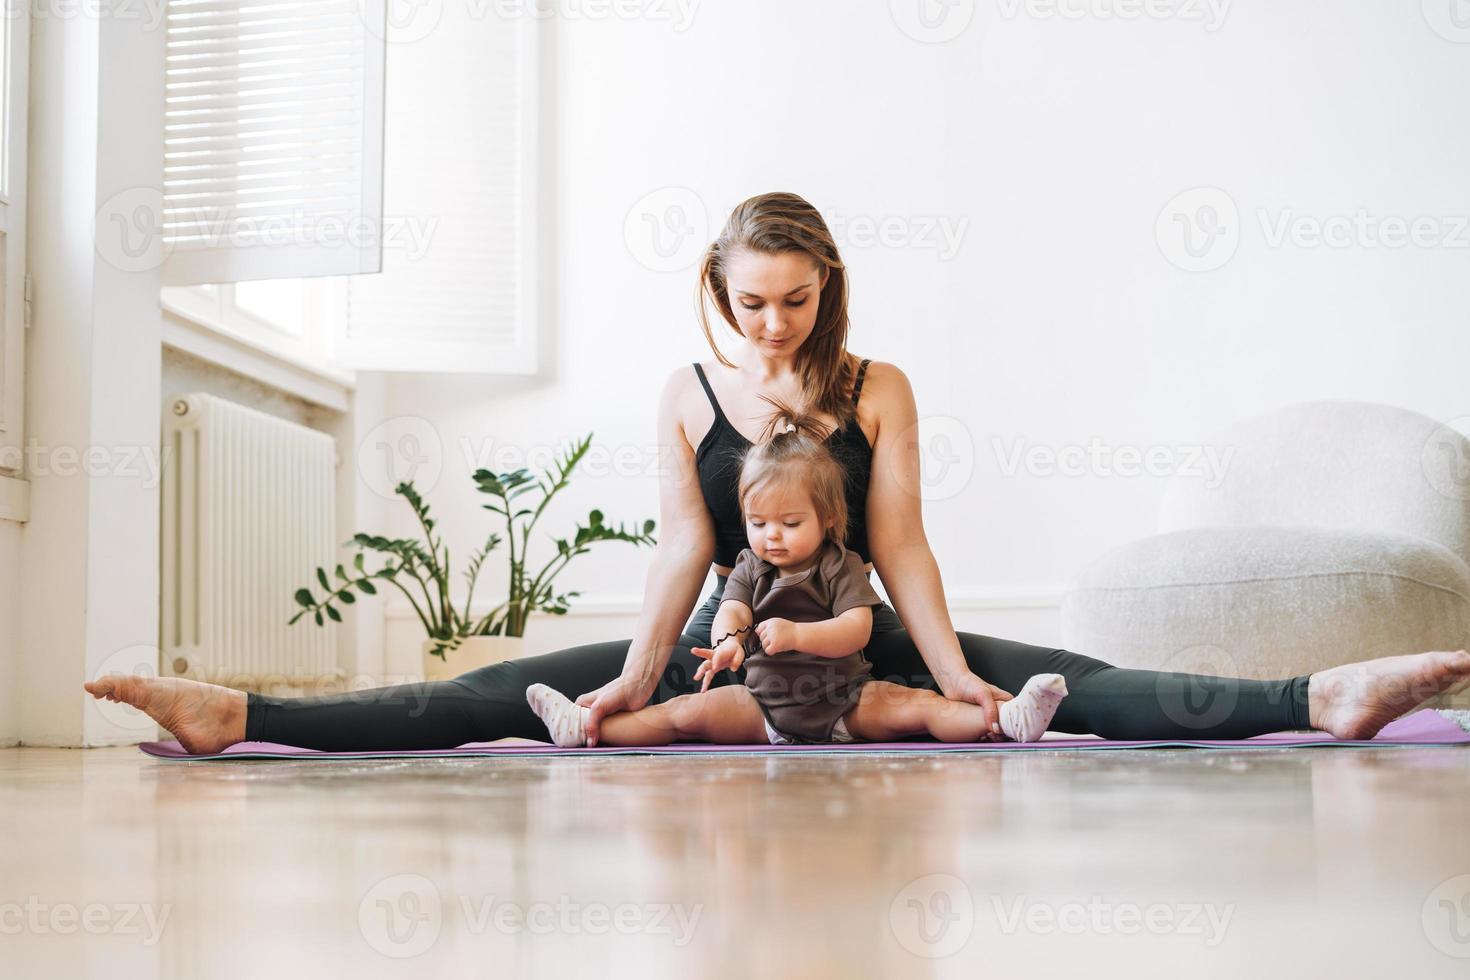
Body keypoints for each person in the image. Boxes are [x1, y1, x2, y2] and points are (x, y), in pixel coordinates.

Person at [84, 191, 1470, 754]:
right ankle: (241, 709)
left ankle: (1320, 694)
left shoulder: (879, 388)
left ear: (826, 289)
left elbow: (908, 547)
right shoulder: (684, 395)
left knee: (1062, 676)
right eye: (752, 301)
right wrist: (637, 670)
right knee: (499, 689)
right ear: (718, 291)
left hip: (851, 622)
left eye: (796, 299)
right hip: (723, 640)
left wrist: (951, 666)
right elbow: (683, 556)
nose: (773, 324)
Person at [525, 405, 1069, 748]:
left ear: (827, 520)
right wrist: (725, 645)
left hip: (845, 704)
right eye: (758, 523)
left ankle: (1007, 720)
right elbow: (734, 611)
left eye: (790, 523)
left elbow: (857, 628)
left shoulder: (839, 563)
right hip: (760, 709)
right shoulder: (748, 566)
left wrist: (798, 635)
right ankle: (584, 727)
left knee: (919, 708)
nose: (772, 536)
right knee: (679, 714)